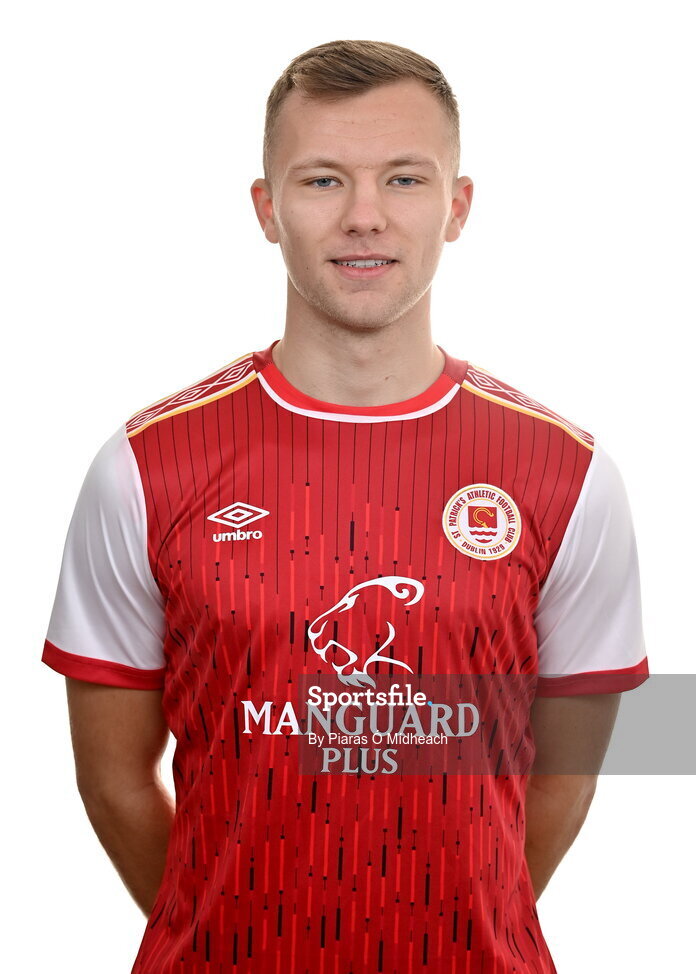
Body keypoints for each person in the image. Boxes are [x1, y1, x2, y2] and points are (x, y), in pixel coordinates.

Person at [41, 38, 649, 974]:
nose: (365, 217)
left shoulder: (567, 475)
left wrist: (450, 931)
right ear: (267, 209)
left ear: (457, 207)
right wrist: (232, 931)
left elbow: (567, 775)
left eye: (404, 179)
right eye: (323, 181)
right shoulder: (144, 467)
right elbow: (113, 779)